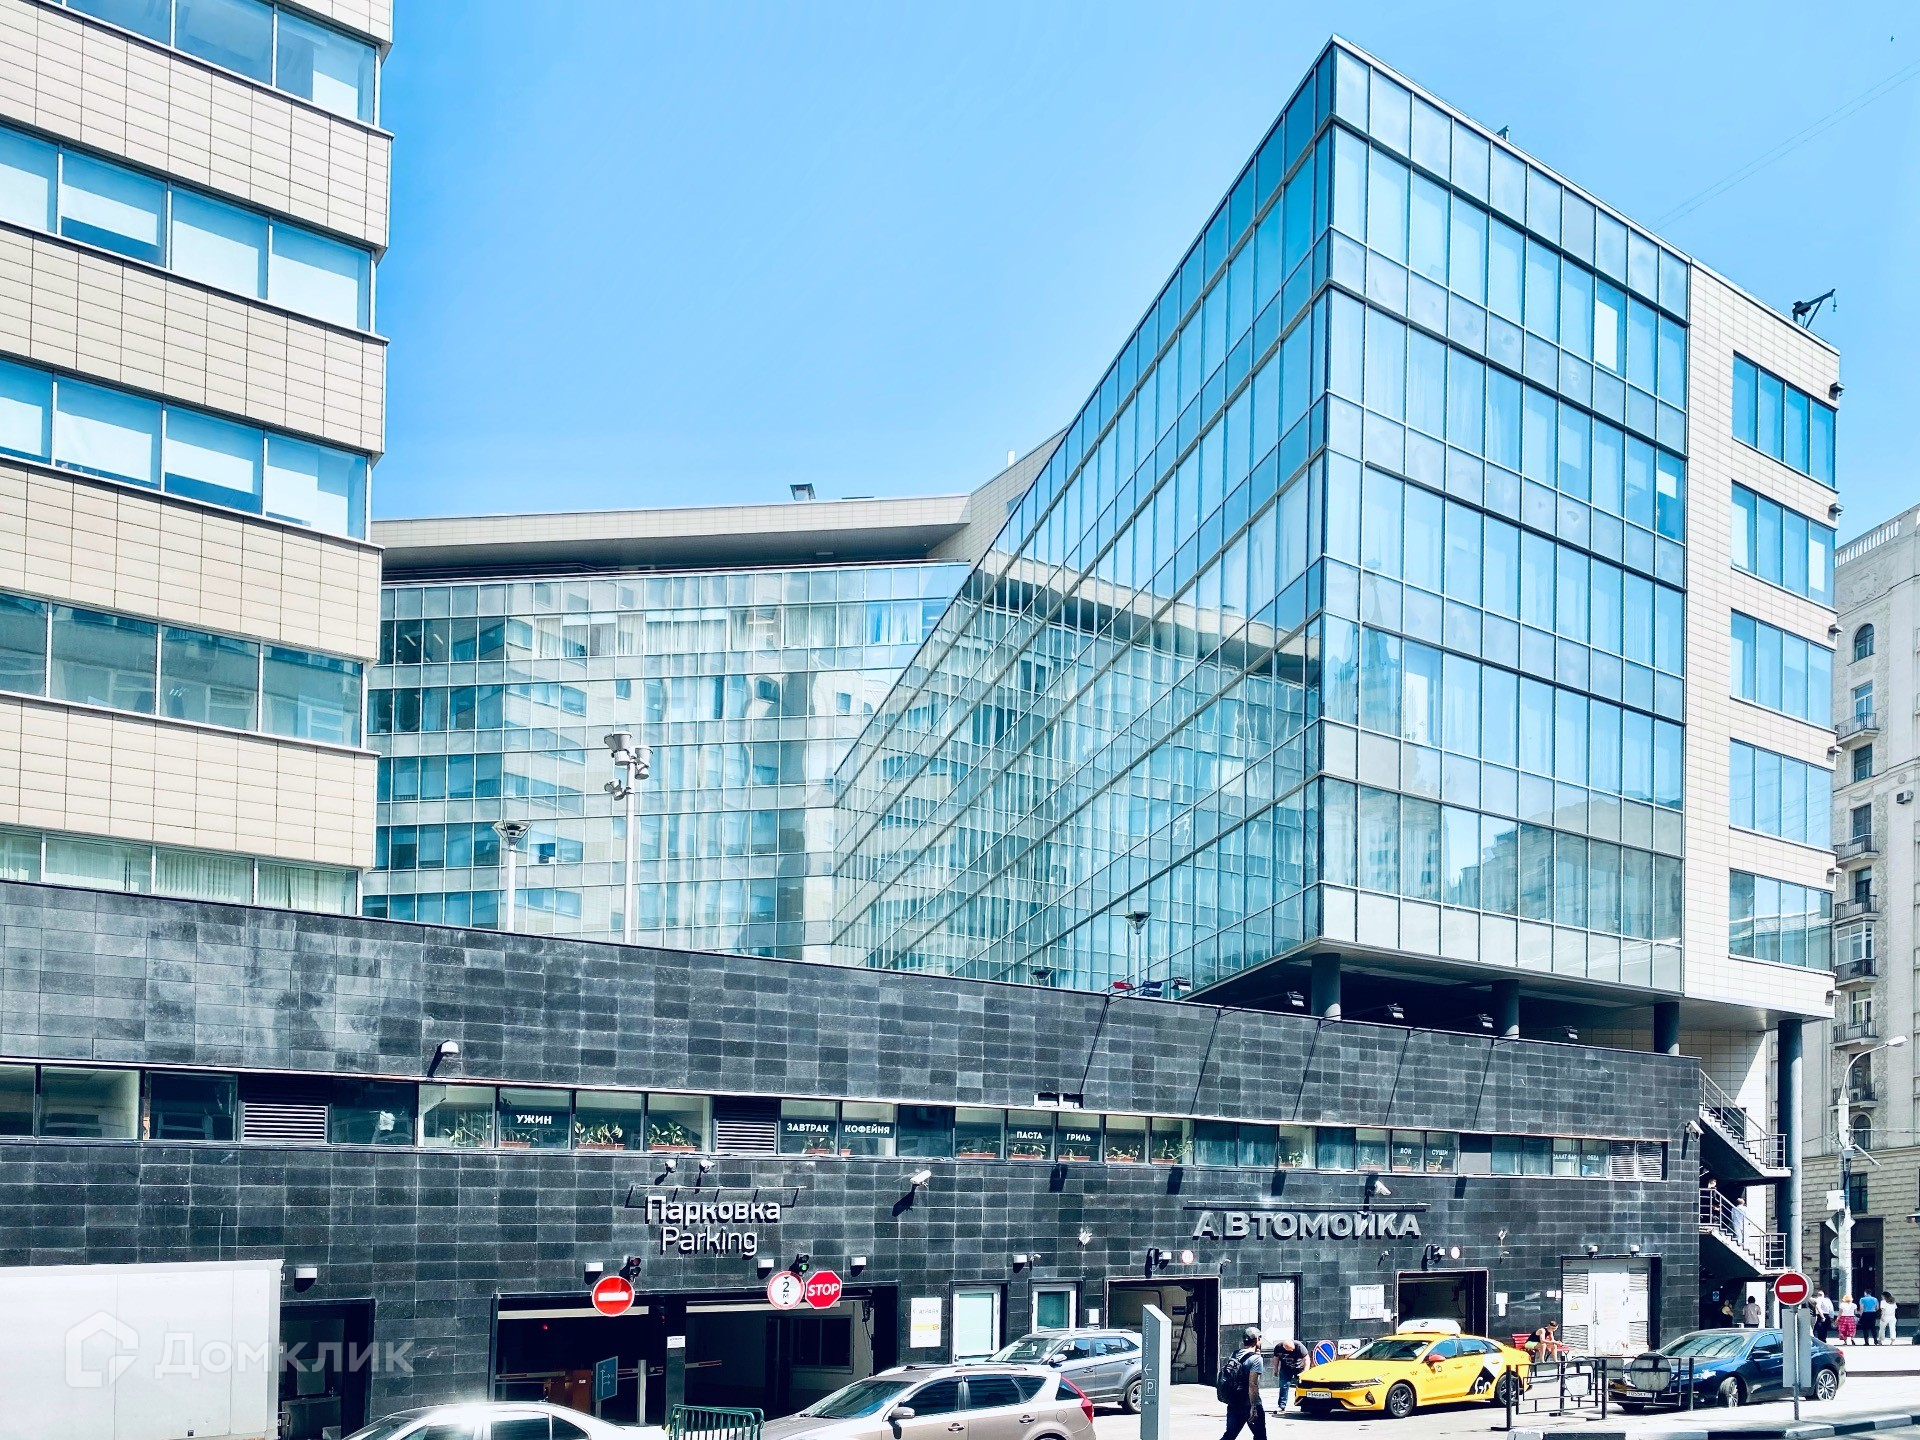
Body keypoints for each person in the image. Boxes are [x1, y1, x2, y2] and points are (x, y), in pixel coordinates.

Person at [1218, 1327, 1267, 1440]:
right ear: (1257, 1339)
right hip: (1249, 1404)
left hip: (1234, 1402)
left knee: (1229, 1435)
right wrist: (1254, 1407)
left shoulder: (1235, 1354)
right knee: (1260, 1437)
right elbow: (1253, 1384)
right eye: (1260, 1338)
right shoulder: (1256, 1359)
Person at [1270, 1335, 1309, 1415]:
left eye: (1292, 1349)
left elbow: (1306, 1359)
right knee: (1284, 1386)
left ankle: (1304, 1405)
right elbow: (1276, 1358)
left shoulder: (1299, 1346)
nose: (1292, 1350)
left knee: (1302, 1386)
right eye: (1290, 1349)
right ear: (1284, 1347)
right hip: (1286, 1368)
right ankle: (1281, 1406)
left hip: (1299, 1368)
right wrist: (1275, 1369)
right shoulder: (1278, 1347)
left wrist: (1305, 1372)